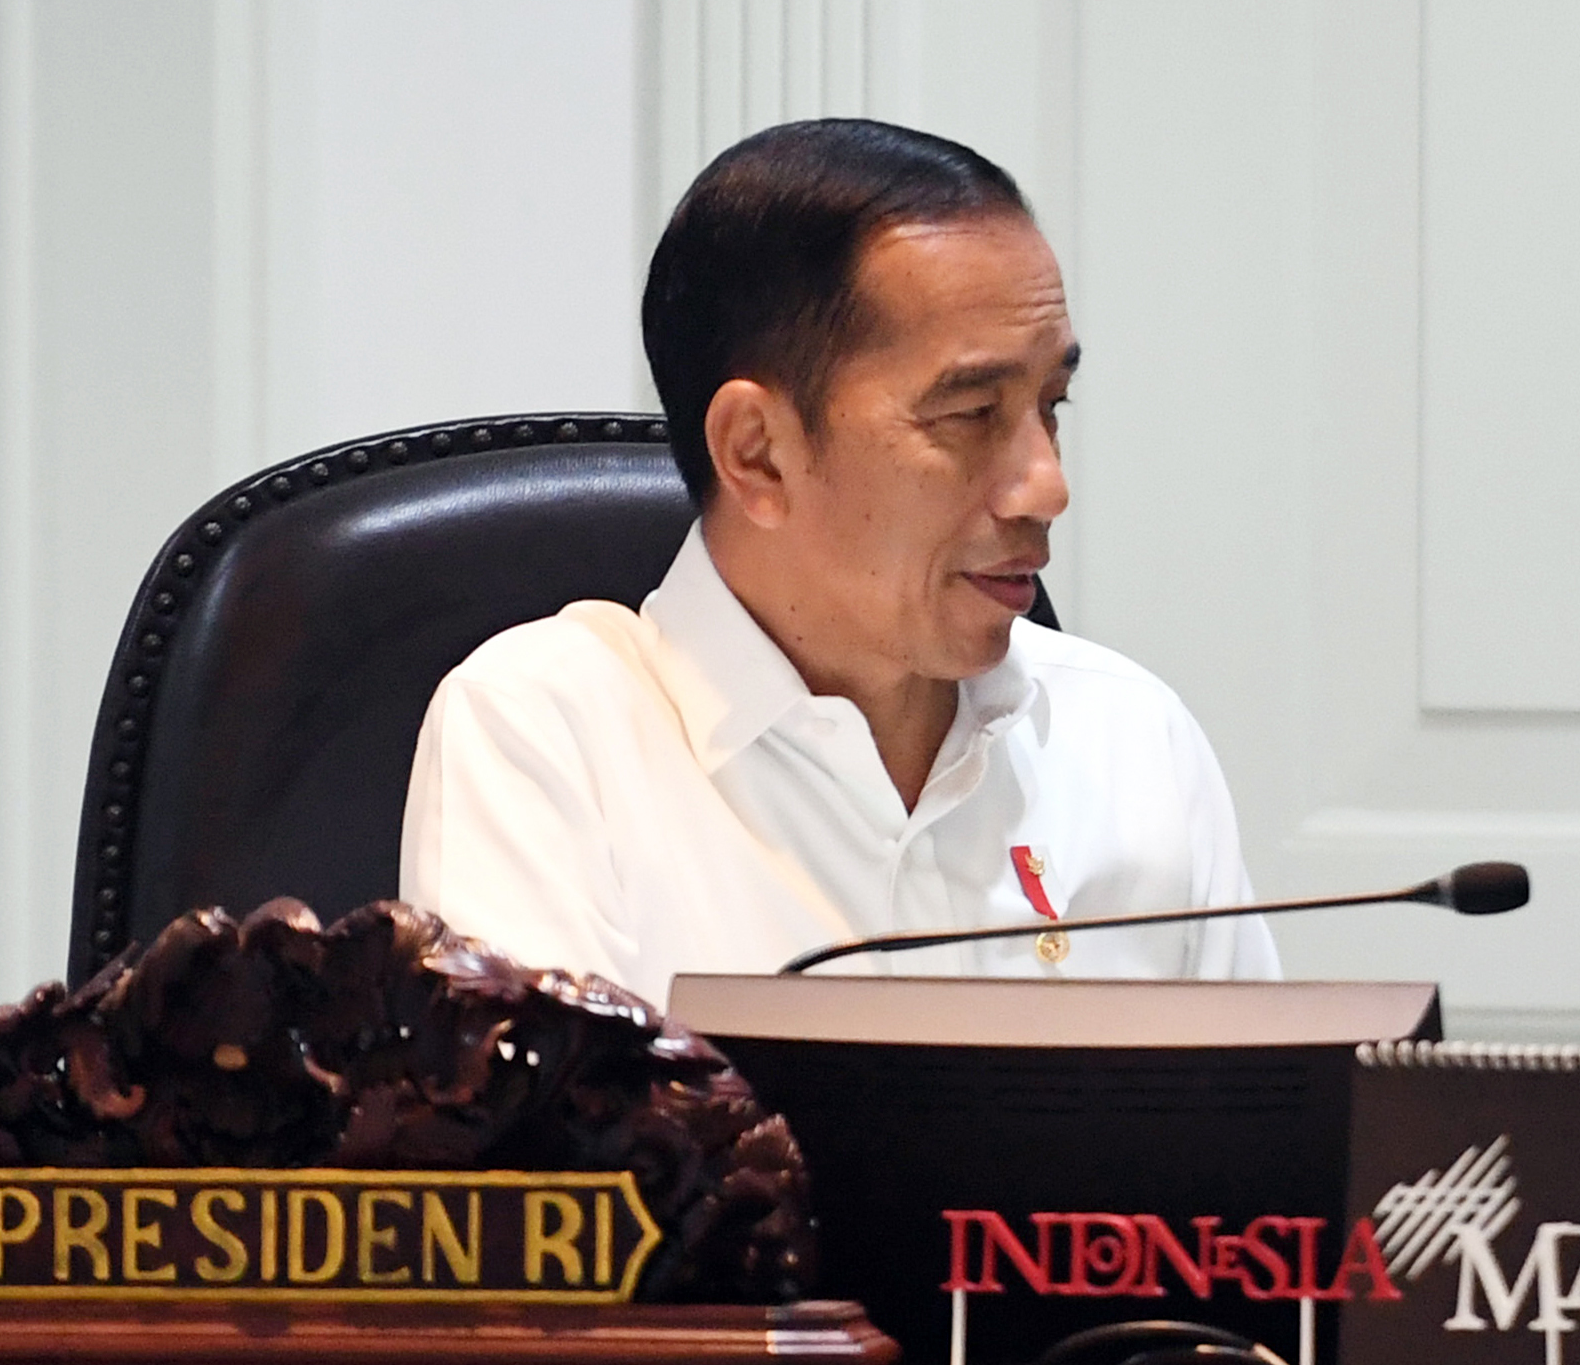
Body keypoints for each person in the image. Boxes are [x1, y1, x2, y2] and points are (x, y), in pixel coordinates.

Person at [399, 118, 1278, 1001]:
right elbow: (542, 1096)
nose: (1045, 487)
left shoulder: (1131, 739)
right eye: (970, 414)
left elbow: (1266, 1094)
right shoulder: (548, 738)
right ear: (757, 453)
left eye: (1051, 405)